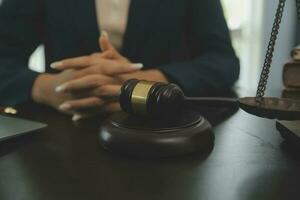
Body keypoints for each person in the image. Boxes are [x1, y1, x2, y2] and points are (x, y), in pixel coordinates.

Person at [0, 0, 239, 120]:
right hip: (63, 131)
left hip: (163, 131)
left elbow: (222, 59)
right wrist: (45, 88)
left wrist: (148, 83)